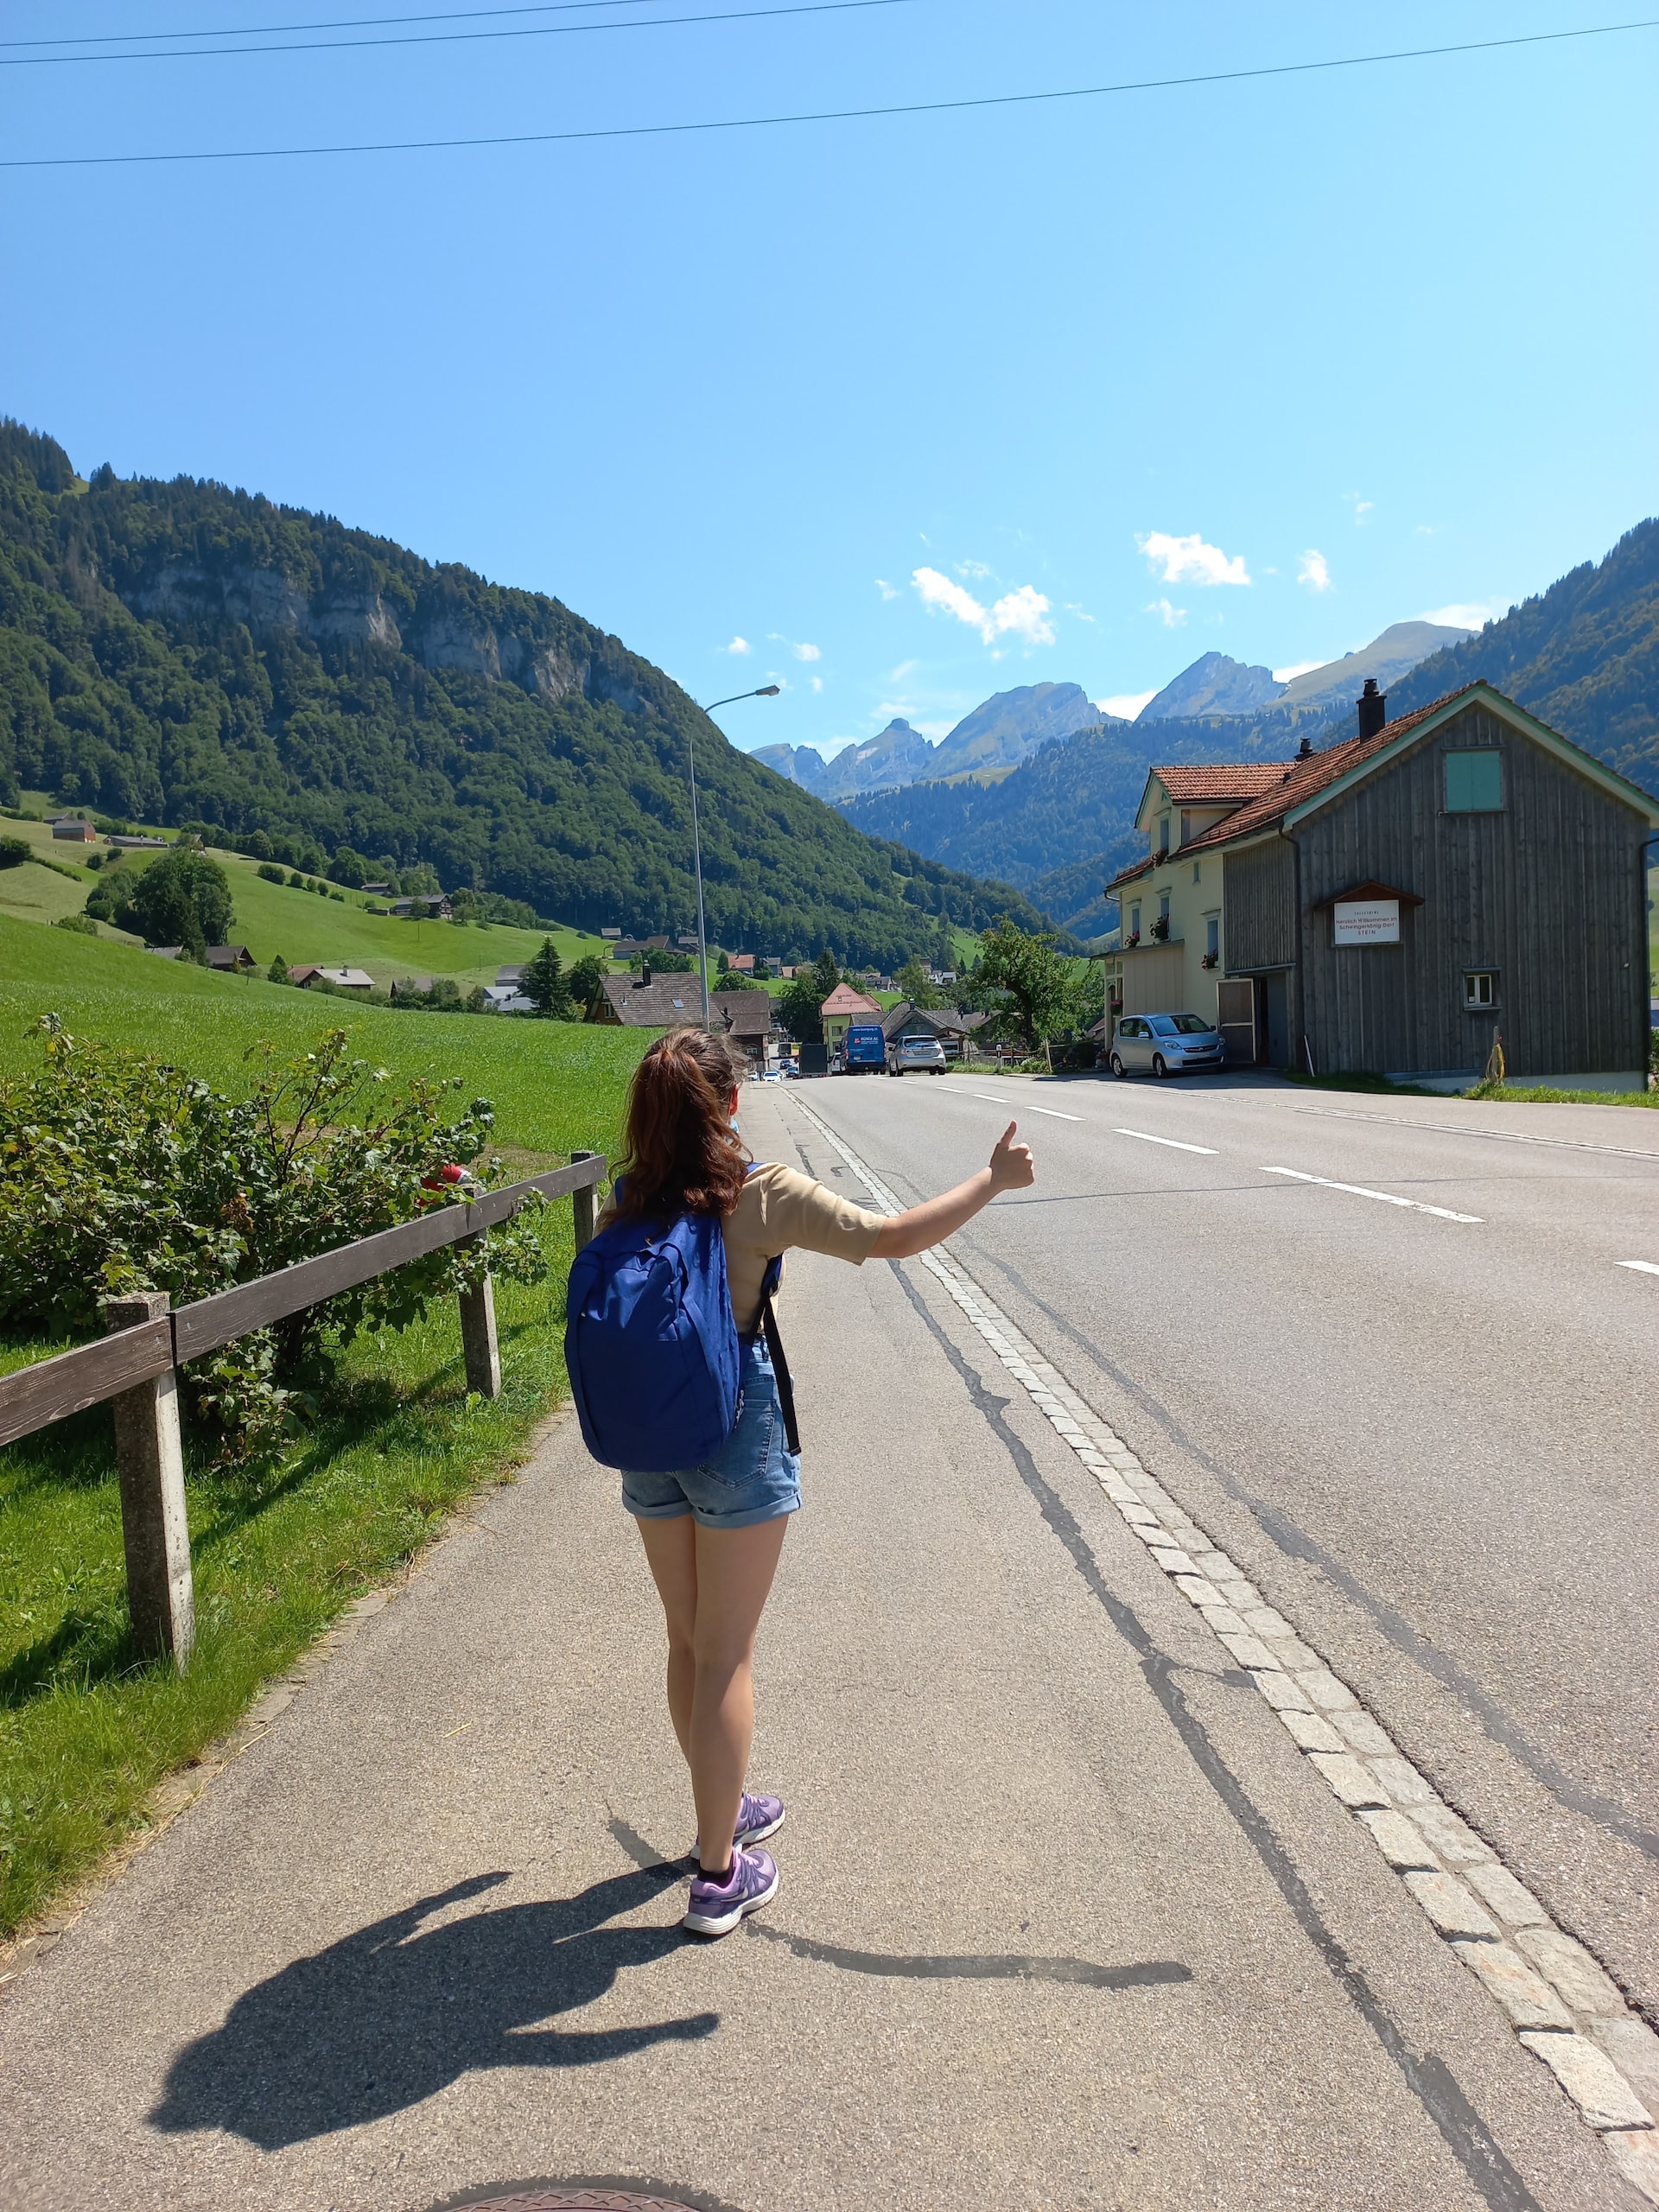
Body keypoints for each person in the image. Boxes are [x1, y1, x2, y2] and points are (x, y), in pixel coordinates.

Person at [600, 1026, 1035, 1936]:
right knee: (727, 1654)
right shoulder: (756, 1194)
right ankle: (719, 1875)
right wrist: (992, 1181)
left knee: (688, 1643)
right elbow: (892, 1236)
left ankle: (719, 1809)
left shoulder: (629, 1194)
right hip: (732, 1423)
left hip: (647, 1433)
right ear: (727, 1102)